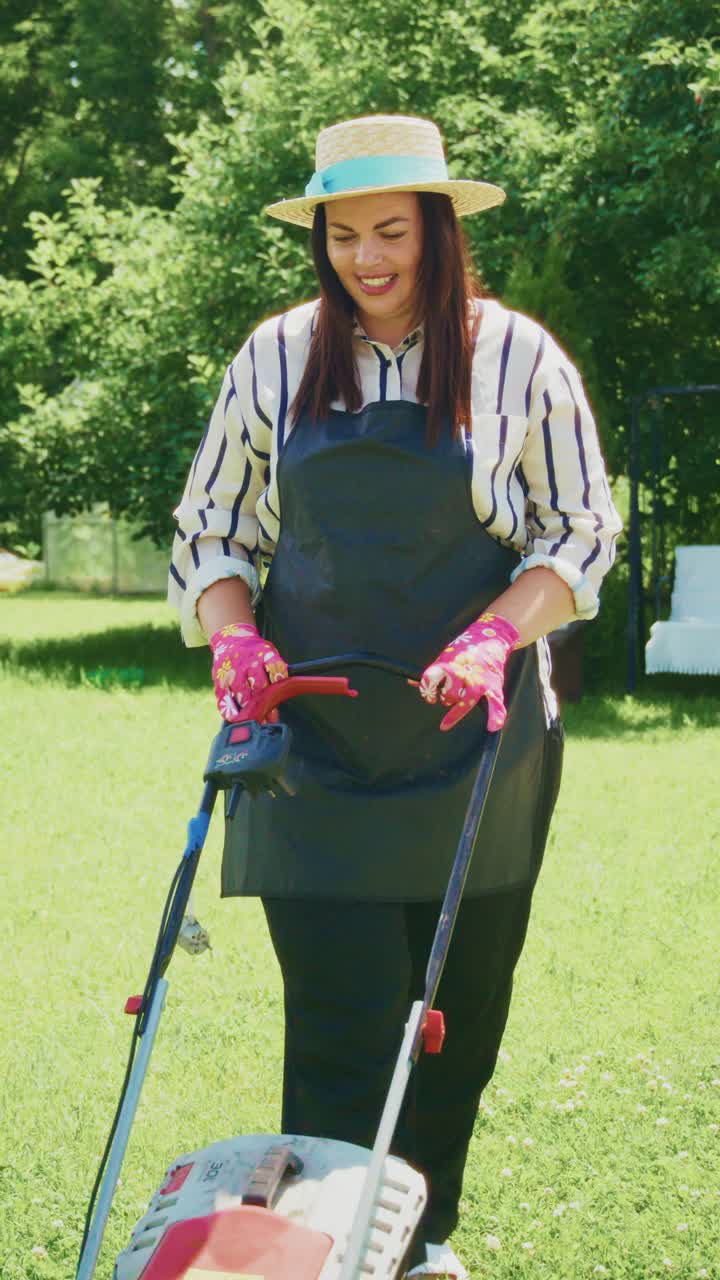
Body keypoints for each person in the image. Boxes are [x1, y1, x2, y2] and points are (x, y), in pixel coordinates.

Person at [169, 114, 622, 1279]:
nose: (366, 259)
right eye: (343, 234)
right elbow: (211, 529)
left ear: (438, 231)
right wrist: (231, 638)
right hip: (310, 741)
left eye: (391, 233)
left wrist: (491, 635)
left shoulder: (519, 357)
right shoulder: (273, 356)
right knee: (341, 1016)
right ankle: (322, 1248)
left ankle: (418, 1242)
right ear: (318, 237)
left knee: (453, 1016)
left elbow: (581, 530)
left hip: (478, 742)